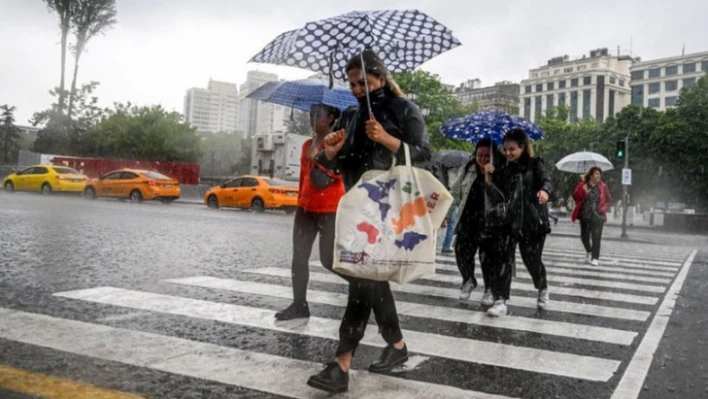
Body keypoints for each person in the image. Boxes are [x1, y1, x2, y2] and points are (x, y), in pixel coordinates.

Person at [306, 50, 431, 393]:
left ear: (379, 77)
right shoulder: (348, 114)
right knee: (367, 279)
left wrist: (386, 139)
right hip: (354, 206)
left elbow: (423, 155)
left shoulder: (403, 109)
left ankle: (341, 364)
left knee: (363, 281)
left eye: (364, 82)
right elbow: (334, 169)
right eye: (352, 84)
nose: (358, 89)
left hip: (386, 209)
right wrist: (331, 152)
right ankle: (397, 346)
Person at [274, 104, 345, 321]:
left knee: (328, 259)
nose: (312, 118)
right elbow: (304, 177)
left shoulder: (338, 143)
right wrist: (300, 202)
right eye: (310, 114)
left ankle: (364, 286)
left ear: (331, 118)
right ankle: (299, 304)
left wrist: (319, 158)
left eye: (317, 115)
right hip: (306, 208)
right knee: (299, 257)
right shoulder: (307, 144)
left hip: (330, 209)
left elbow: (339, 174)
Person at [487, 129, 555, 317]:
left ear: (522, 147)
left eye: (512, 149)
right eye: (505, 149)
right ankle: (500, 300)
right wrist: (490, 176)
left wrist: (545, 192)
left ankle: (542, 287)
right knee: (503, 260)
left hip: (532, 222)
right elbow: (496, 194)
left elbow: (547, 181)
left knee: (532, 261)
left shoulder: (535, 164)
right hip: (508, 222)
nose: (508, 153)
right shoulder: (503, 168)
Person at [447, 138, 504, 304]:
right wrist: (445, 213)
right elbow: (455, 192)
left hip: (489, 222)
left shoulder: (500, 171)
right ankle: (469, 279)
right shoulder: (468, 168)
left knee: (487, 259)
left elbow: (500, 197)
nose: (483, 158)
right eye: (480, 154)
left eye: (487, 155)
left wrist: (489, 177)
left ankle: (489, 289)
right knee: (461, 251)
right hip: (468, 220)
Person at [571, 166, 612, 266]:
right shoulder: (583, 185)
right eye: (597, 173)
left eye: (599, 174)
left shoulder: (603, 186)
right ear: (591, 175)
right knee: (584, 237)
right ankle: (589, 250)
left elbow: (609, 200)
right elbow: (575, 196)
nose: (599, 176)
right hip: (585, 215)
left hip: (598, 216)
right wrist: (583, 191)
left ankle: (595, 257)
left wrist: (603, 209)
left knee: (596, 237)